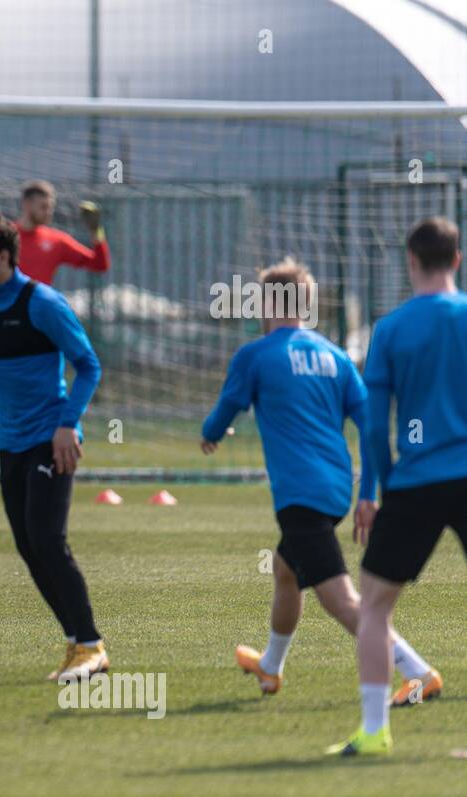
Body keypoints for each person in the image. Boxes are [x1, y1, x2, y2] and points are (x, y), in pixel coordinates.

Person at [200, 257, 440, 708]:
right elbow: (371, 431)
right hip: (335, 489)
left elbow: (224, 410)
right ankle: (271, 666)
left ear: (267, 304)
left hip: (300, 495)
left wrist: (210, 435)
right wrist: (367, 493)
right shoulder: (335, 357)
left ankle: (418, 672)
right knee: (285, 570)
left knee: (344, 600)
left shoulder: (256, 354)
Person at [0, 211, 106, 682]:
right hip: (12, 446)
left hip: (51, 441)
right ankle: (78, 643)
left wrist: (66, 425)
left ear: (2, 256)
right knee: (28, 546)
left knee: (48, 541)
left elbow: (89, 366)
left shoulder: (43, 303)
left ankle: (91, 645)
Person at [331, 217, 466, 757]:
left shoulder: (390, 330)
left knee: (375, 608)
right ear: (456, 259)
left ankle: (373, 730)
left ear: (410, 261)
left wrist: (371, 493)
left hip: (414, 483)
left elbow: (372, 424)